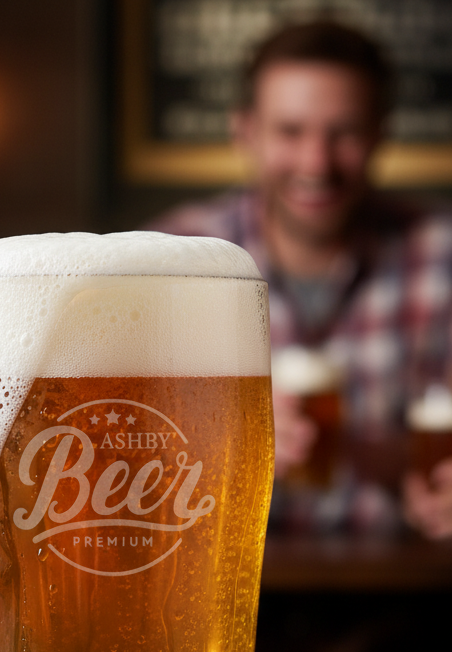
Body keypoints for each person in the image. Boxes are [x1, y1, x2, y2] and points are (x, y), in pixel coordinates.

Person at [148, 21, 452, 539]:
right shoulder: (173, 259)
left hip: (408, 595)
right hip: (215, 593)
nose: (317, 162)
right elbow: (113, 448)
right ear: (244, 132)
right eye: (291, 132)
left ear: (381, 132)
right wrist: (207, 435)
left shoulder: (441, 252)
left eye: (345, 133)